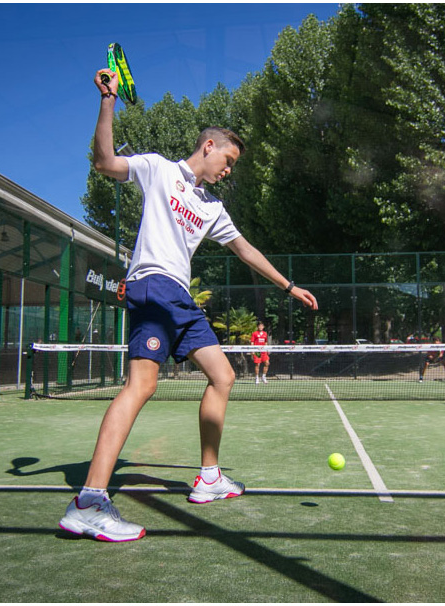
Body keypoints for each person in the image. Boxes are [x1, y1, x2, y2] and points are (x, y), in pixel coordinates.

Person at [58, 68, 319, 542]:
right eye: (228, 160)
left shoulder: (211, 207)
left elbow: (245, 249)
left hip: (180, 297)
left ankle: (209, 477)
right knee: (141, 386)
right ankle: (89, 501)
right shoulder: (158, 168)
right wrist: (108, 102)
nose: (229, 170)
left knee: (224, 375)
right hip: (153, 286)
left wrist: (288, 286)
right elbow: (104, 162)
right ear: (208, 147)